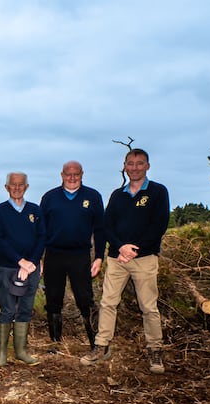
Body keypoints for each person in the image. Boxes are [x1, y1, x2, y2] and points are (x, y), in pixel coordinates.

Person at [80, 148, 170, 374]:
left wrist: (134, 250)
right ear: (125, 166)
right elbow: (106, 226)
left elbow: (159, 226)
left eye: (139, 163)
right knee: (108, 303)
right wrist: (120, 247)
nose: (134, 168)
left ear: (147, 166)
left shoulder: (158, 192)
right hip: (117, 258)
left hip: (145, 258)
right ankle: (101, 346)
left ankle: (155, 350)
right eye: (130, 163)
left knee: (148, 306)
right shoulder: (117, 195)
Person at [40, 161, 105, 352]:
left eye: (76, 174)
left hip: (80, 256)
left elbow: (100, 230)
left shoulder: (92, 197)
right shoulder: (50, 197)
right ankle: (55, 343)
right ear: (62, 175)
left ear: (82, 174)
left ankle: (95, 343)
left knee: (86, 300)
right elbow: (40, 230)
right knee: (53, 300)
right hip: (53, 255)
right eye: (68, 174)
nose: (72, 178)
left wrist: (99, 257)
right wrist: (38, 257)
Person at [0, 172, 45, 367]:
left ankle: (21, 351)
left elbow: (41, 238)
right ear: (6, 187)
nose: (16, 187)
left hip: (32, 268)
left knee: (25, 309)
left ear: (26, 186)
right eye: (12, 185)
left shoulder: (35, 210)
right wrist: (20, 261)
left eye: (20, 184)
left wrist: (31, 262)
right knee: (6, 309)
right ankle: (2, 354)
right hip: (8, 267)